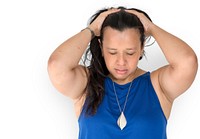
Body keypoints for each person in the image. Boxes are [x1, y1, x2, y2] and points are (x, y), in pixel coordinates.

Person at [47, 6, 198, 139]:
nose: (121, 61)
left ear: (142, 47)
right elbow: (57, 66)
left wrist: (151, 28)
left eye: (130, 53)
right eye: (112, 52)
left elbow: (188, 62)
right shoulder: (86, 83)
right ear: (101, 46)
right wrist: (92, 30)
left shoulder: (158, 85)